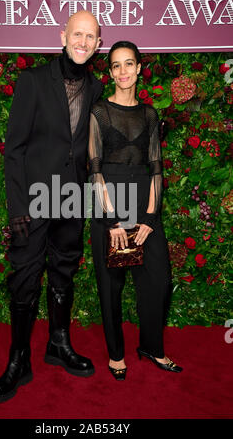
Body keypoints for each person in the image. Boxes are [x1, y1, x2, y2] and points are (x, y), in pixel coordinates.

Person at [0, 10, 103, 403]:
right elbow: (14, 149)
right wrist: (18, 206)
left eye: (91, 36)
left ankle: (58, 344)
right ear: (62, 36)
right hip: (34, 201)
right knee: (24, 277)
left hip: (72, 199)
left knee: (64, 272)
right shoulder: (33, 81)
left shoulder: (97, 88)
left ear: (98, 44)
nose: (83, 42)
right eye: (78, 34)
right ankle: (18, 359)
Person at [88, 41, 183, 380]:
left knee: (158, 280)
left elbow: (156, 168)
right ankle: (116, 354)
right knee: (111, 285)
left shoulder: (149, 114)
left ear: (140, 68)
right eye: (116, 65)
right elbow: (95, 169)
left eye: (129, 64)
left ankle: (152, 347)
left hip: (144, 203)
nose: (124, 71)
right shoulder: (99, 112)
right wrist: (112, 221)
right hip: (110, 206)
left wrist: (149, 219)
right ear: (110, 71)